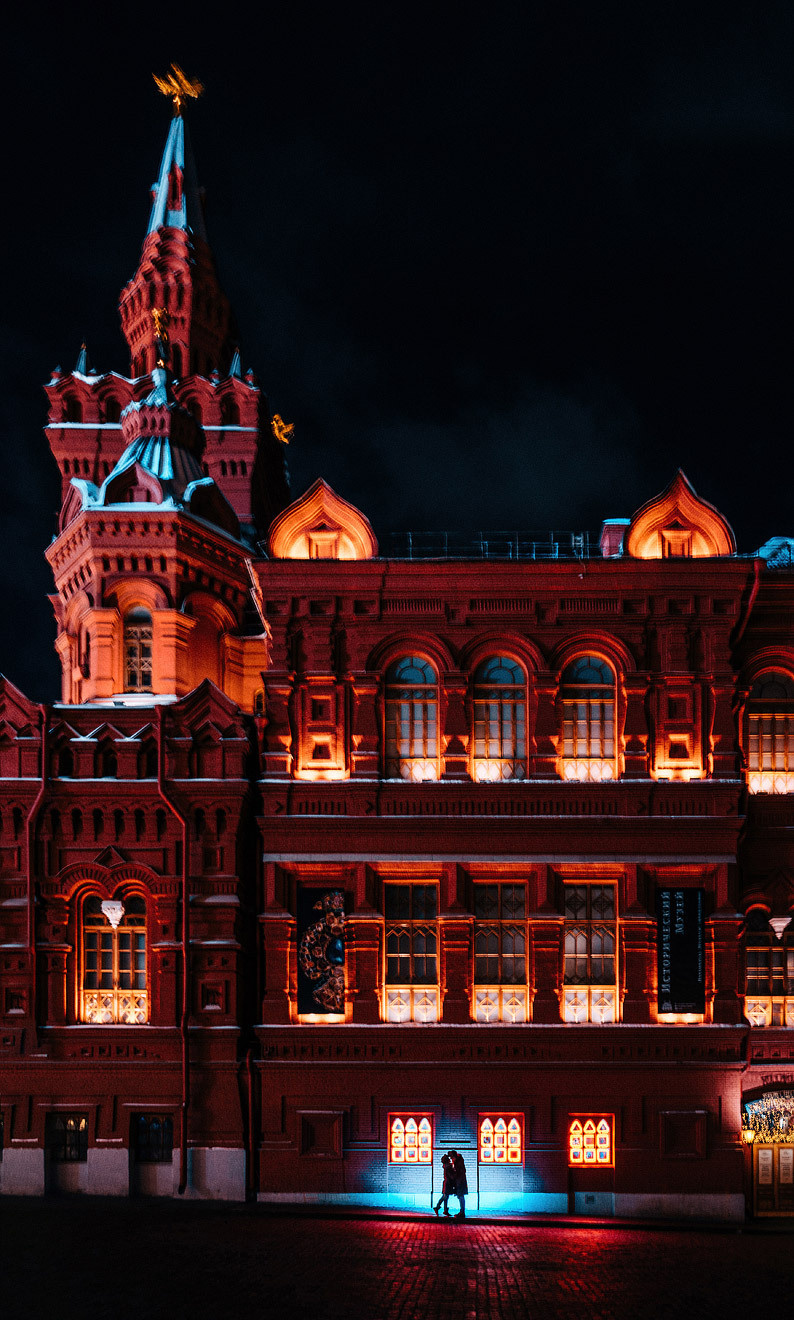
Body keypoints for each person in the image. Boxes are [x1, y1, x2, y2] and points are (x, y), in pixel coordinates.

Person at [434, 1150, 456, 1217]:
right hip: (448, 1183)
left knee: (446, 1196)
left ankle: (445, 1210)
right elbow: (451, 1175)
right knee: (445, 1196)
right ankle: (438, 1207)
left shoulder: (445, 1166)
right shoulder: (449, 1166)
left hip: (446, 1182)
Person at [452, 1150, 468, 1219]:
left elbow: (458, 1173)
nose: (451, 1159)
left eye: (452, 1158)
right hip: (460, 1182)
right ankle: (462, 1212)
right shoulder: (460, 1162)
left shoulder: (458, 1163)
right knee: (461, 1197)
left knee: (461, 1197)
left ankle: (462, 1212)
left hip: (460, 1183)